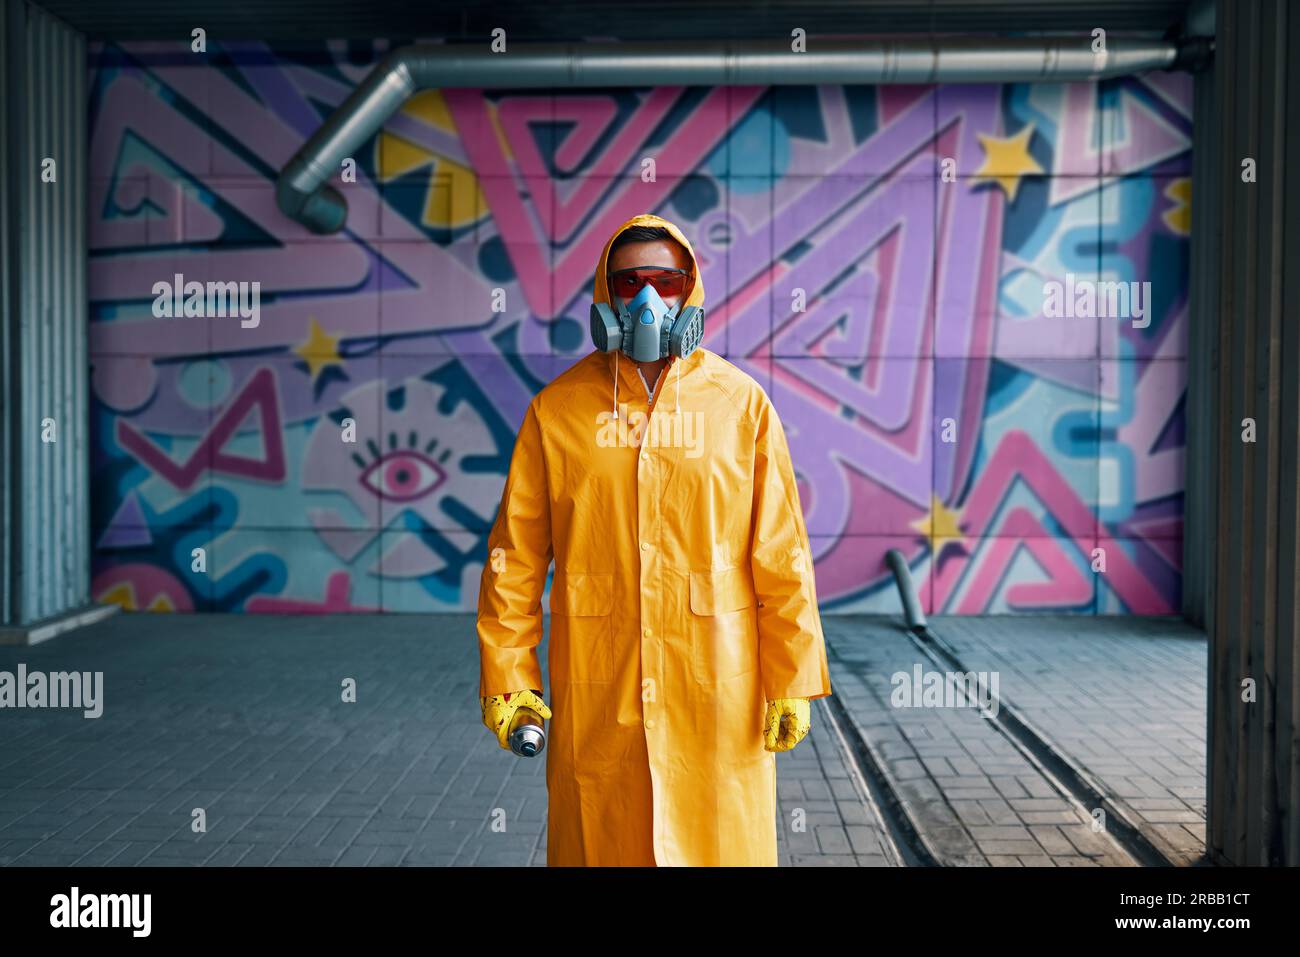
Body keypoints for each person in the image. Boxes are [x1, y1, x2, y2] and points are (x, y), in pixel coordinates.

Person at [477, 213, 831, 866]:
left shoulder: (740, 406)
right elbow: (514, 562)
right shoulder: (557, 412)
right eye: (629, 280)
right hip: (599, 695)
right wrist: (510, 680)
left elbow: (780, 553)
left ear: (689, 290)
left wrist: (793, 676)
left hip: (718, 696)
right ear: (605, 295)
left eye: (666, 280)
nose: (647, 298)